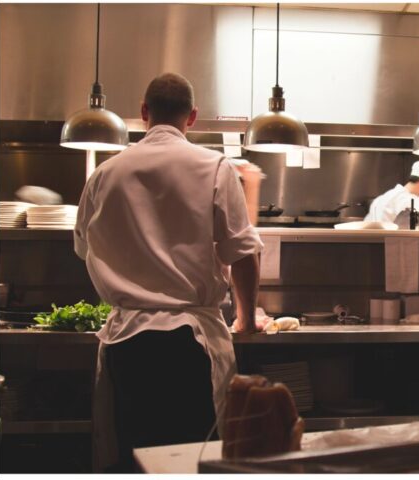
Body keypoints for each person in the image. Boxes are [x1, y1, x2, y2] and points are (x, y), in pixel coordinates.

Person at [74, 73, 264, 472]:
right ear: (191, 117)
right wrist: (245, 318)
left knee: (135, 459)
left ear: (144, 113)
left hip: (126, 343)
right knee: (193, 462)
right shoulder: (214, 166)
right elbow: (243, 252)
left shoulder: (105, 173)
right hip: (187, 345)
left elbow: (83, 248)